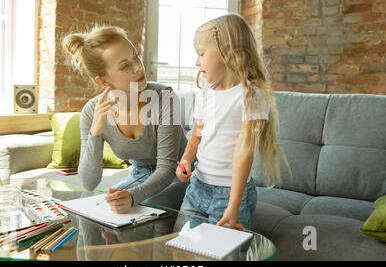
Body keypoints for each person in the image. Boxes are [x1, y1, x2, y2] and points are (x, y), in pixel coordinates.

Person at [176, 13, 291, 231]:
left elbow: (244, 151)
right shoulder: (205, 93)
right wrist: (185, 160)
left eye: (201, 53)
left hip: (229, 194)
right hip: (197, 186)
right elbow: (197, 135)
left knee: (224, 253)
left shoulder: (251, 95)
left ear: (227, 52)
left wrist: (234, 206)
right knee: (182, 249)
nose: (196, 61)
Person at [62, 25, 188, 214]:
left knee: (146, 207)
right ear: (103, 81)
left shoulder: (165, 98)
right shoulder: (92, 111)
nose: (138, 67)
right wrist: (95, 132)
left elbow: (167, 169)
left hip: (180, 176)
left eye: (135, 56)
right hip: (139, 177)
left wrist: (132, 197)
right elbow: (89, 182)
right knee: (100, 206)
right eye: (125, 66)